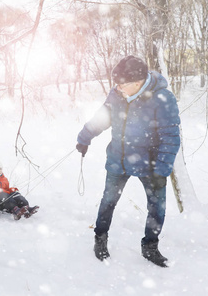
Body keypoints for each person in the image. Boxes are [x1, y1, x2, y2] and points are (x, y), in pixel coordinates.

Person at [76, 55, 181, 267]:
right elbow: (102, 117)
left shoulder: (162, 98)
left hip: (151, 165)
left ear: (138, 82)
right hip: (118, 159)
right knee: (108, 201)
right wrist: (84, 137)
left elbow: (171, 137)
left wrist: (162, 169)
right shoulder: (117, 94)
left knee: (156, 207)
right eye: (117, 84)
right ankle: (100, 239)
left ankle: (150, 246)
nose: (118, 88)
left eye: (122, 84)